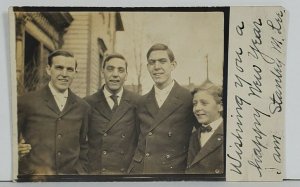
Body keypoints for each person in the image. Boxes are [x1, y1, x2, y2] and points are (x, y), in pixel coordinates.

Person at [18, 50, 90, 175]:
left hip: (70, 180)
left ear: (75, 73)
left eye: (70, 69)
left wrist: (80, 172)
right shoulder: (26, 102)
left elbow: (84, 146)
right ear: (48, 69)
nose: (64, 74)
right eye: (59, 68)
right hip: (35, 179)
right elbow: (8, 139)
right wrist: (14, 151)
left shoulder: (83, 107)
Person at [129, 43, 197, 174]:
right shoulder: (141, 102)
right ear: (148, 67)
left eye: (162, 61)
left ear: (173, 65)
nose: (157, 67)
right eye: (152, 62)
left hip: (172, 172)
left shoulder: (188, 98)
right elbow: (136, 139)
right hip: (142, 172)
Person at [84, 53, 140, 174]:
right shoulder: (87, 103)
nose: (115, 74)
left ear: (126, 76)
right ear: (102, 72)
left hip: (125, 177)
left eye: (120, 70)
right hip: (97, 176)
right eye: (110, 69)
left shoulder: (137, 102)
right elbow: (79, 144)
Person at [186, 84, 224, 174]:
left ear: (220, 107)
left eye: (204, 103)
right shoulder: (193, 136)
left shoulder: (231, 134)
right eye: (195, 104)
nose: (197, 108)